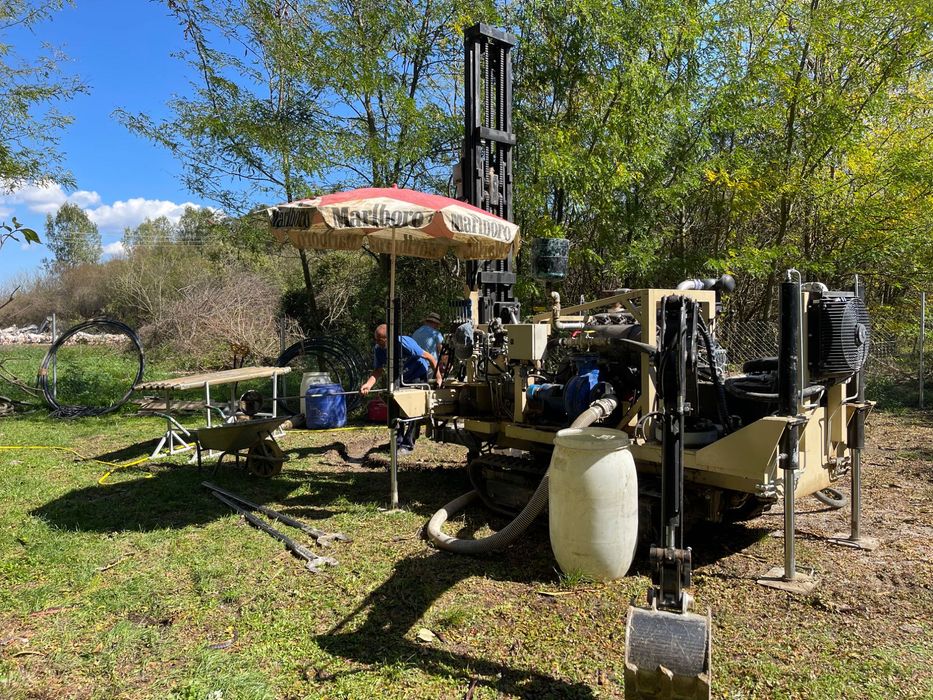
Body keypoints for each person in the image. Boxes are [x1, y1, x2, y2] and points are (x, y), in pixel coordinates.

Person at [360, 323, 441, 454]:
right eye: (375, 339)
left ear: (388, 339)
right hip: (400, 377)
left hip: (417, 374)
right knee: (397, 409)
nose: (376, 342)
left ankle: (408, 444)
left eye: (379, 340)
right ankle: (397, 442)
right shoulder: (379, 349)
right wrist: (368, 385)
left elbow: (430, 357)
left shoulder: (405, 343)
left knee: (414, 410)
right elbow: (378, 370)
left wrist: (438, 377)